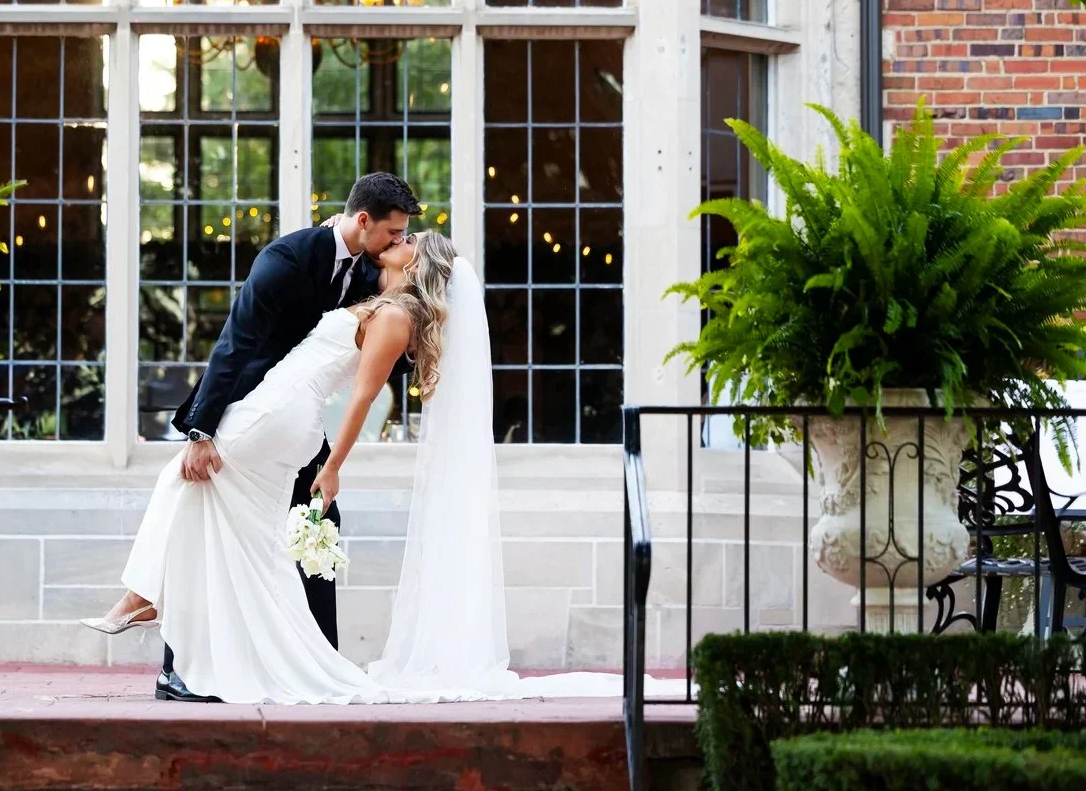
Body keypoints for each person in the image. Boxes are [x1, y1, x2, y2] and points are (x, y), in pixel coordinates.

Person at [85, 228, 665, 704]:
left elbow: (361, 399)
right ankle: (206, 649)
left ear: (417, 262)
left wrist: (333, 467)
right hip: (276, 410)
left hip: (281, 414)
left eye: (409, 238)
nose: (400, 237)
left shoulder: (396, 317)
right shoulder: (382, 298)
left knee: (183, 481)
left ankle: (146, 598)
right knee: (247, 540)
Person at [80, 172, 420, 702]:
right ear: (362, 221)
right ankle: (183, 663)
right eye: (393, 232)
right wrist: (201, 428)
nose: (398, 242)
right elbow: (234, 343)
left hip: (292, 423)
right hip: (250, 411)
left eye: (404, 238)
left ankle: (310, 659)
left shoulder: (372, 276)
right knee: (209, 514)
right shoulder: (286, 260)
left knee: (308, 536)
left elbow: (383, 347)